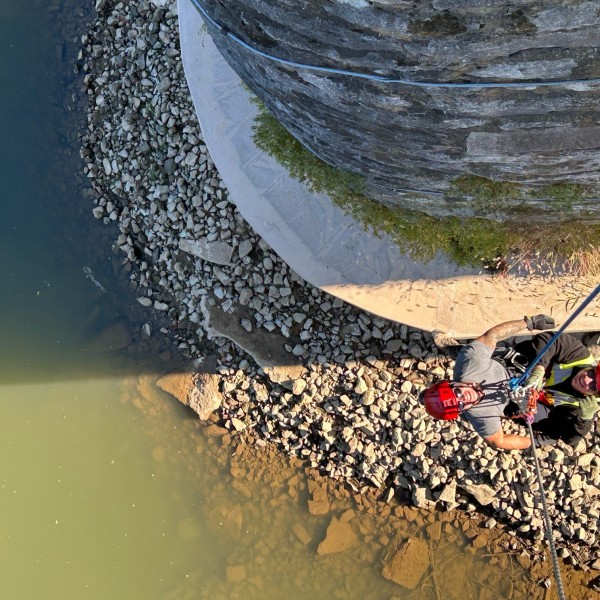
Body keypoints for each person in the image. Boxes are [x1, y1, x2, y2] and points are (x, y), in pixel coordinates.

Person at [422, 315, 600, 450]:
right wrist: (539, 367)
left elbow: (492, 336)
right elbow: (552, 340)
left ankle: (453, 349)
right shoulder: (478, 416)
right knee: (474, 353)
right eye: (591, 374)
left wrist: (528, 323)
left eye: (593, 386)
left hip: (512, 371)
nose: (587, 380)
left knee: (470, 353)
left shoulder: (470, 367)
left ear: (453, 383)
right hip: (522, 390)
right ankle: (457, 350)